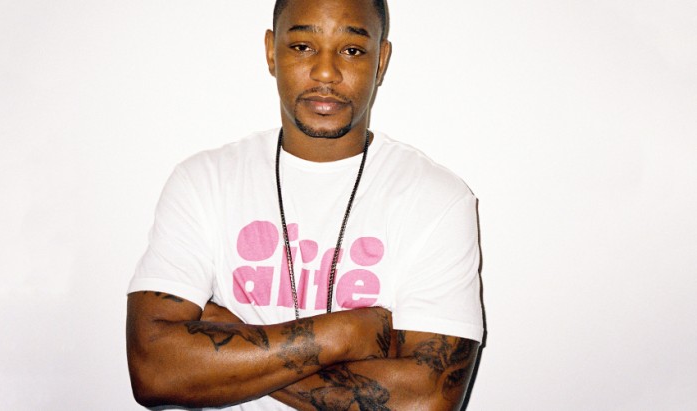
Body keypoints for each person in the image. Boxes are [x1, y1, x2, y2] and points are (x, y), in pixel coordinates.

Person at [126, 0, 484, 409]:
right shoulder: (204, 180)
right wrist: (345, 334)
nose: (326, 72)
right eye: (302, 47)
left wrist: (232, 343)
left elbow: (427, 401)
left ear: (381, 60)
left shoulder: (436, 198)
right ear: (271, 51)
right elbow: (154, 369)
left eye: (352, 50)